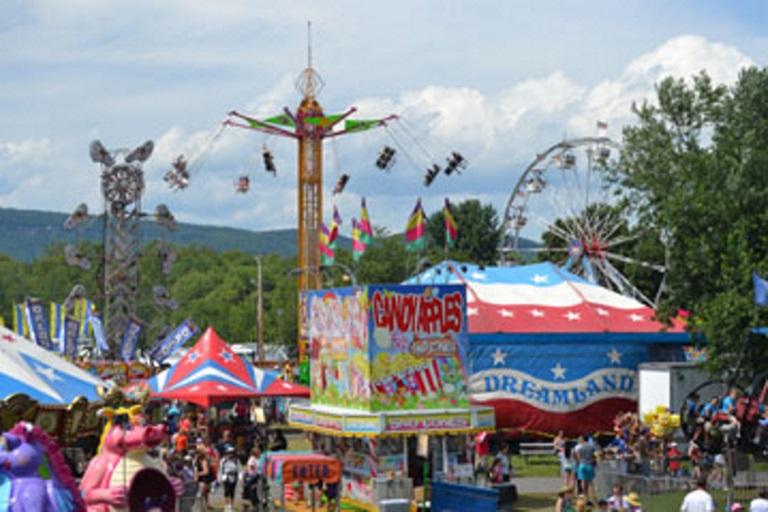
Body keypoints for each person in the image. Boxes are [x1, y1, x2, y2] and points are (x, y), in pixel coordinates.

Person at [219, 446, 241, 512]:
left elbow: (239, 470)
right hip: (226, 477)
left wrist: (240, 478)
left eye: (232, 453)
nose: (230, 454)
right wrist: (220, 479)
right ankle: (226, 506)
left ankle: (231, 506)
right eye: (229, 453)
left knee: (232, 492)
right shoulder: (223, 460)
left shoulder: (236, 460)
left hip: (234, 477)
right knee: (226, 492)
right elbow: (220, 470)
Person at [193, 443, 214, 510]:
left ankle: (203, 507)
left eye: (197, 453)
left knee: (201, 494)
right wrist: (195, 477)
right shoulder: (196, 460)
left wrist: (197, 474)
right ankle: (204, 507)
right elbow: (195, 470)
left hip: (206, 479)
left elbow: (206, 472)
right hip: (201, 479)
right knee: (203, 495)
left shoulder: (204, 460)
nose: (196, 454)